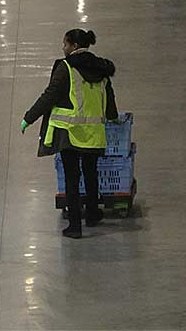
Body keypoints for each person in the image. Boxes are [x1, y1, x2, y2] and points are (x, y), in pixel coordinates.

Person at [21, 29, 118, 239]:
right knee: (91, 173)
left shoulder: (66, 67)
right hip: (93, 133)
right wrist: (114, 117)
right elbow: (109, 100)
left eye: (65, 44)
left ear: (73, 46)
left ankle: (75, 226)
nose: (63, 48)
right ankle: (92, 214)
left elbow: (50, 95)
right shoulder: (102, 69)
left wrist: (29, 117)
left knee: (72, 179)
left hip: (70, 133)